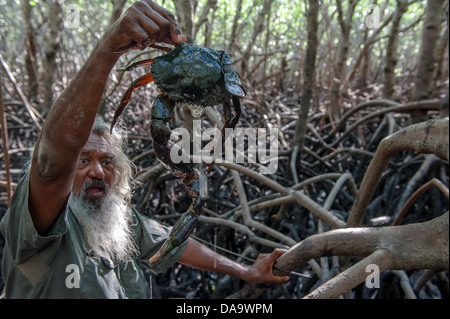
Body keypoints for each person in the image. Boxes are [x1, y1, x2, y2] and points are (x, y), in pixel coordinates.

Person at [0, 0, 289, 298]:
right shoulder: (38, 222)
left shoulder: (117, 218)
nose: (98, 171)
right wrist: (109, 49)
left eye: (108, 162)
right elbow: (51, 166)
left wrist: (246, 271)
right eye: (83, 160)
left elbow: (176, 245)